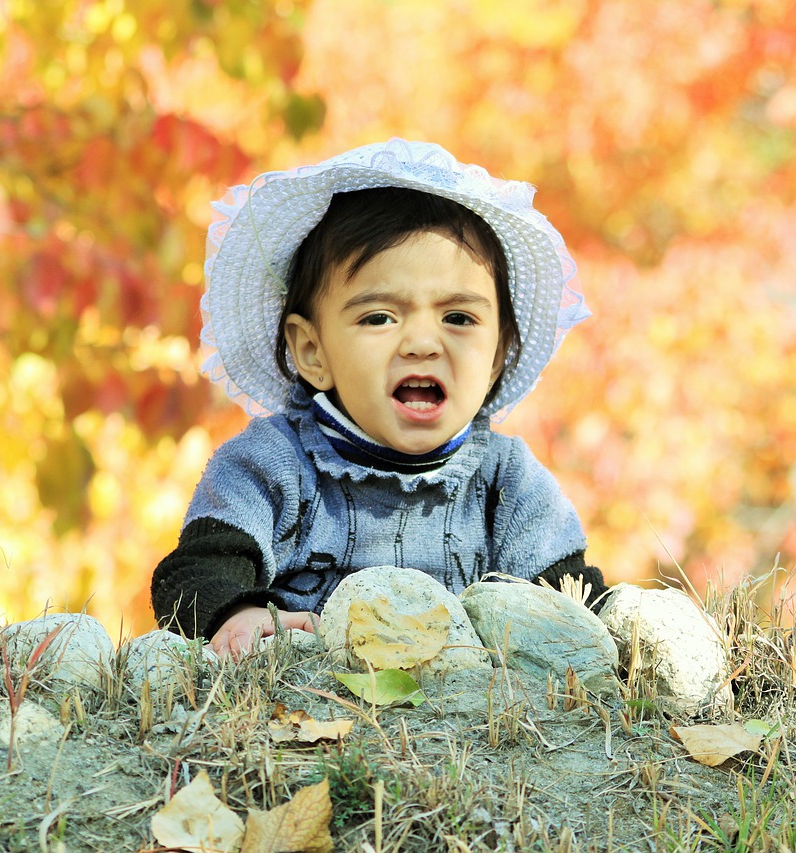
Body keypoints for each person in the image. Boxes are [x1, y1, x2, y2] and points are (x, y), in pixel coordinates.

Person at [151, 139, 606, 658]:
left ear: (498, 354)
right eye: (379, 317)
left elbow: (576, 604)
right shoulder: (271, 465)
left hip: (463, 698)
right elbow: (197, 571)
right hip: (310, 695)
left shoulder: (508, 483)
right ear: (312, 352)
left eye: (459, 317)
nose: (422, 343)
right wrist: (236, 615)